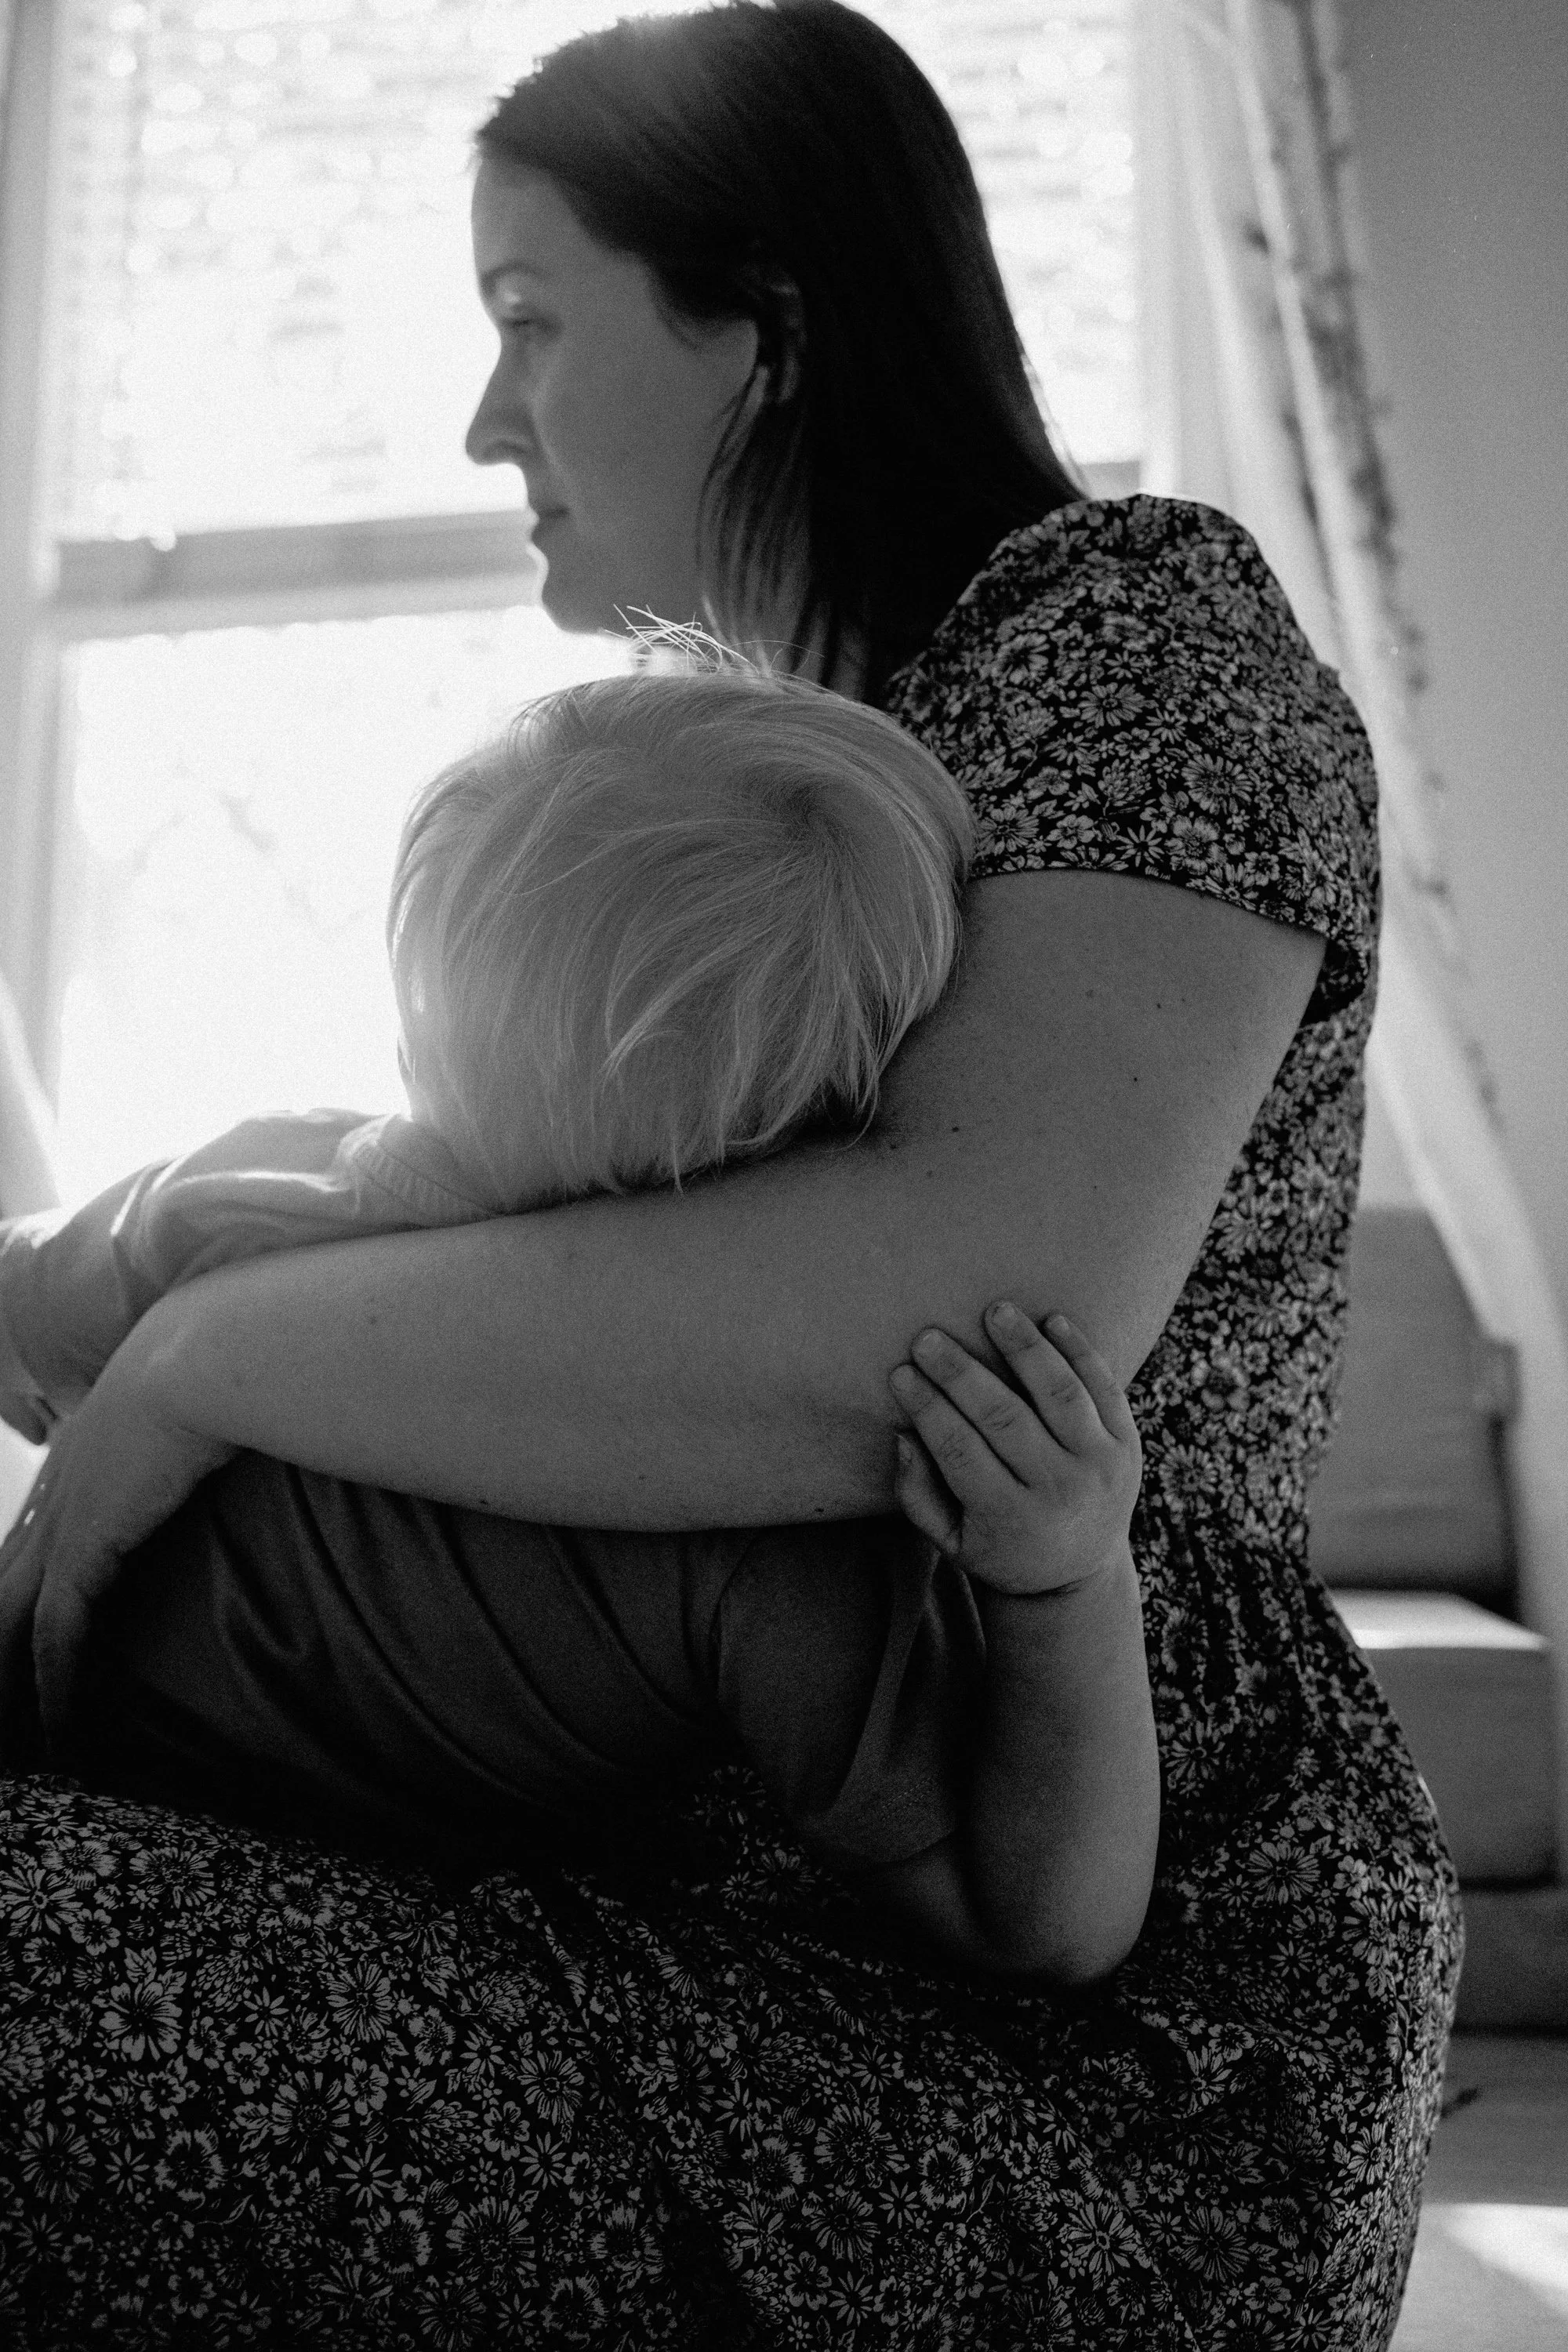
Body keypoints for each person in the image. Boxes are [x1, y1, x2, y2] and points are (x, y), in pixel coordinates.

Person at [0, 3, 1460, 2345]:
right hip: (660, 1892)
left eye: (530, 318)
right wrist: (169, 1266)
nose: (486, 420)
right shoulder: (743, 789)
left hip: (1067, 2036)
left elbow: (952, 1318)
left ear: (763, 328)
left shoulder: (1132, 632)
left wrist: (204, 1361)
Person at [0, 656, 1157, 1984]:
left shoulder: (267, 1186)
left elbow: (19, 1303)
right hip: (292, 1945)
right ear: (862, 1129)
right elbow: (1040, 1927)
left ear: (422, 1035)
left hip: (56, 1772)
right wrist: (1067, 1585)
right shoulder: (784, 1533)